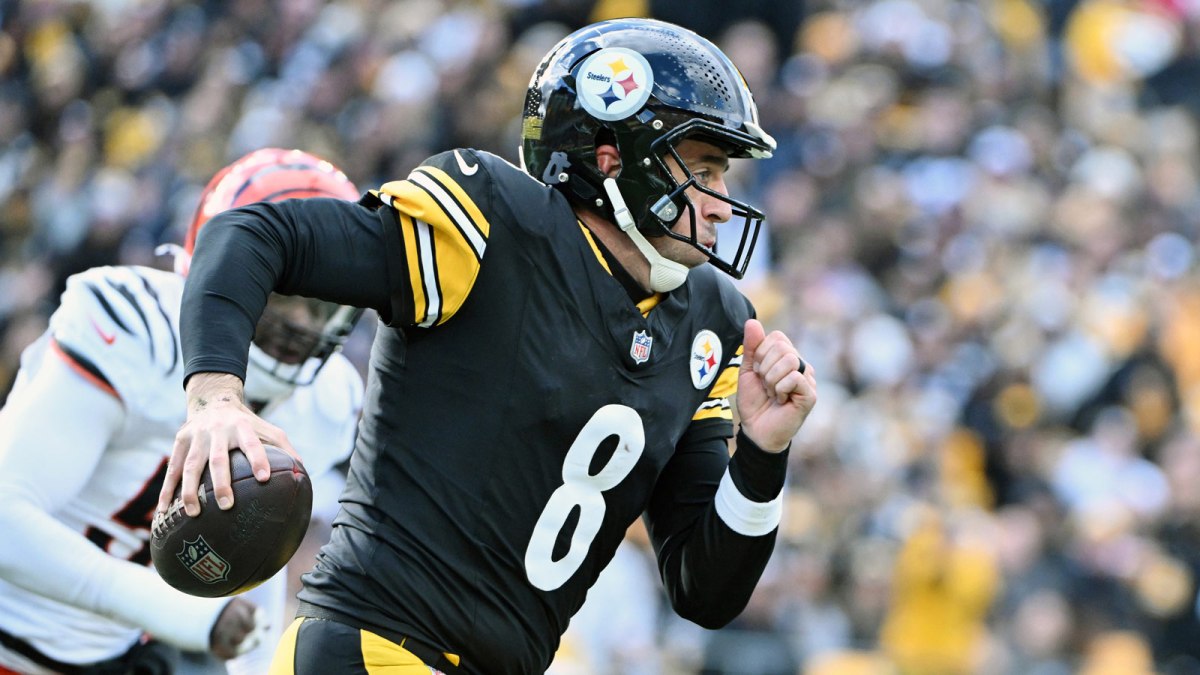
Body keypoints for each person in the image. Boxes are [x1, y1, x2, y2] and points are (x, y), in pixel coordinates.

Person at [158, 18, 816, 675]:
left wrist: (762, 453)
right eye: (703, 167)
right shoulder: (494, 220)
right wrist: (216, 395)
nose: (724, 204)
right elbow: (249, 232)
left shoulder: (712, 321)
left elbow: (706, 590)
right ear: (614, 158)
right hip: (379, 643)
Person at [0, 148, 365, 675]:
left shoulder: (326, 398)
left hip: (118, 655)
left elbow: (257, 560)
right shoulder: (136, 327)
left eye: (325, 299)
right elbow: (7, 521)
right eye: (286, 290)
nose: (306, 322)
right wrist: (183, 615)